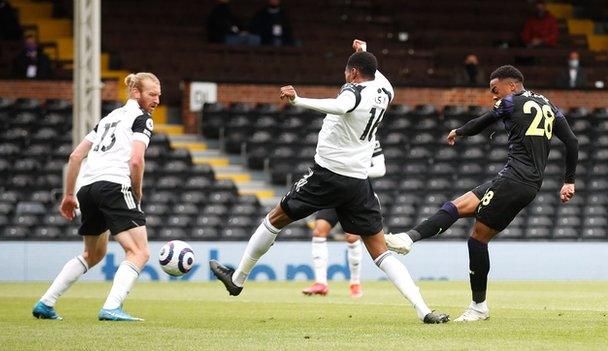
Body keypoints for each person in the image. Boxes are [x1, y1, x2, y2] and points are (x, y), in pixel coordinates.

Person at [210, 39, 449, 324]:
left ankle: (237, 279)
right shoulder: (385, 89)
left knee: (274, 219)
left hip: (328, 175)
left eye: (347, 72)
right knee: (380, 252)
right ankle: (424, 310)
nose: (345, 76)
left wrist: (298, 100)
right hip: (358, 182)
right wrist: (362, 51)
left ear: (354, 73)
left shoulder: (353, 93)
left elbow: (339, 106)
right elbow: (371, 71)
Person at [385, 65, 578, 322]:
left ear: (511, 85)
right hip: (520, 181)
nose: (494, 96)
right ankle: (409, 238)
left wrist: (459, 131)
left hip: (515, 181)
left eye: (495, 90)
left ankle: (478, 307)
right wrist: (569, 181)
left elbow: (485, 121)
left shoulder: (511, 101)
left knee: (477, 239)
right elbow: (572, 142)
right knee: (457, 206)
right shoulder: (548, 105)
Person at [32, 72, 160, 321]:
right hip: (114, 185)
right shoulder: (142, 119)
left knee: (94, 254)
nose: (156, 100)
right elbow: (136, 160)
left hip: (87, 188)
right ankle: (112, 307)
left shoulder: (108, 119)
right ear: (136, 93)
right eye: (151, 94)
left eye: (158, 95)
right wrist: (137, 191)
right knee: (139, 252)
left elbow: (75, 156)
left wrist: (69, 195)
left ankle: (46, 303)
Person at [302, 140, 386, 298]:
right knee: (319, 231)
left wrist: (351, 173)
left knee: (352, 236)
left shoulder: (370, 136)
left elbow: (380, 169)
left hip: (356, 193)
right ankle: (321, 283)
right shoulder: (337, 133)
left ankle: (355, 283)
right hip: (333, 191)